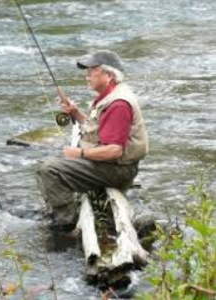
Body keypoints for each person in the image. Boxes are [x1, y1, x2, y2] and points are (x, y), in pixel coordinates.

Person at [36, 50, 148, 229]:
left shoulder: (118, 104)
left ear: (109, 75)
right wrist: (75, 113)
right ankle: (63, 209)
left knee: (48, 170)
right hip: (114, 166)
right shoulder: (109, 97)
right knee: (52, 164)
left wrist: (79, 153)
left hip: (118, 170)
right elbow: (98, 131)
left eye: (92, 70)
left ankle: (66, 224)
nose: (86, 75)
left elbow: (114, 151)